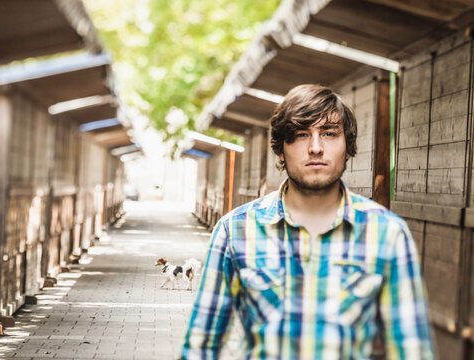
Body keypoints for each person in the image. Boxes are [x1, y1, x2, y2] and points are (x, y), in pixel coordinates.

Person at [180, 84, 435, 359]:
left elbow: (412, 349)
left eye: (329, 134)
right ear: (280, 151)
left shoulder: (387, 233)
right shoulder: (236, 231)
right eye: (301, 135)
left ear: (348, 147)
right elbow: (200, 347)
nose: (315, 148)